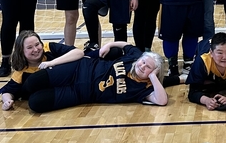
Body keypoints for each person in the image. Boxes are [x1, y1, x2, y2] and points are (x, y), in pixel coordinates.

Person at [21, 41, 167, 113]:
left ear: (153, 73)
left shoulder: (144, 89)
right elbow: (126, 45)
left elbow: (162, 101)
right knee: (32, 82)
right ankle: (14, 93)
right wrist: (109, 44)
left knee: (35, 103)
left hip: (80, 93)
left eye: (148, 67)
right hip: (79, 68)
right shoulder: (135, 57)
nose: (142, 66)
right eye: (143, 62)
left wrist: (154, 77)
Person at [0, 29, 84, 110]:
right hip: (64, 93)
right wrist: (7, 101)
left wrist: (52, 63)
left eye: (37, 44)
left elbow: (79, 53)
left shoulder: (49, 48)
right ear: (21, 51)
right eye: (29, 47)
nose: (36, 50)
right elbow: (7, 91)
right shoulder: (21, 73)